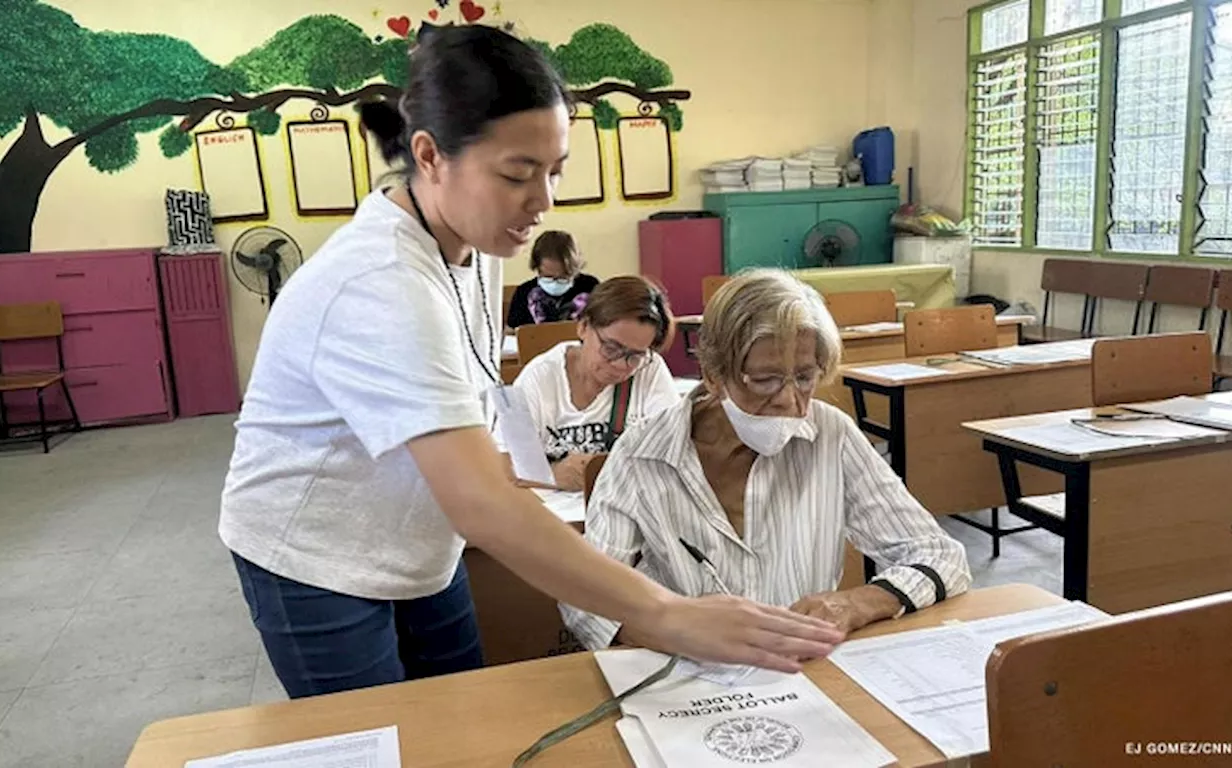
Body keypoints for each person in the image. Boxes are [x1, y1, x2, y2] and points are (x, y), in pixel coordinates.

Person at [217, 25, 843, 700]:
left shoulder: (475, 242)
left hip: (421, 539)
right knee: (376, 739)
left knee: (459, 719)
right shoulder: (380, 281)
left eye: (554, 171)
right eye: (518, 174)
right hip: (317, 556)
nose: (543, 202)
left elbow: (474, 411)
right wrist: (667, 614)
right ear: (429, 155)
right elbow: (483, 505)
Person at [562, 269, 971, 650]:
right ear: (714, 375)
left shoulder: (829, 435)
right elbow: (585, 597)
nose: (790, 401)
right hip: (686, 677)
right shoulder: (642, 454)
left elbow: (940, 555)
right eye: (765, 380)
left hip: (804, 670)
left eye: (806, 377)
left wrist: (858, 603)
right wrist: (679, 630)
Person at [514, 276, 679, 491]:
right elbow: (504, 467)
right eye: (611, 349)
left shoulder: (650, 370)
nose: (621, 365)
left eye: (635, 356)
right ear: (583, 327)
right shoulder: (539, 377)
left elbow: (672, 451)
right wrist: (553, 476)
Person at [506, 230, 599, 328]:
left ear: (573, 270)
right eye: (548, 277)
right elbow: (511, 331)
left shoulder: (590, 287)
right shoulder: (524, 293)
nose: (554, 284)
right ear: (537, 267)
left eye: (563, 278)